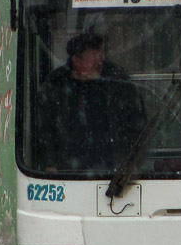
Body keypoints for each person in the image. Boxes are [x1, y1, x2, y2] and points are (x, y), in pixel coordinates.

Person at [34, 33, 146, 172]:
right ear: (76, 60)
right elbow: (45, 129)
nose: (99, 62)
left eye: (100, 56)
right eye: (93, 56)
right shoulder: (55, 86)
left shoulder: (119, 83)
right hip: (67, 173)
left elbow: (137, 125)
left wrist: (131, 162)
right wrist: (49, 164)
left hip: (113, 172)